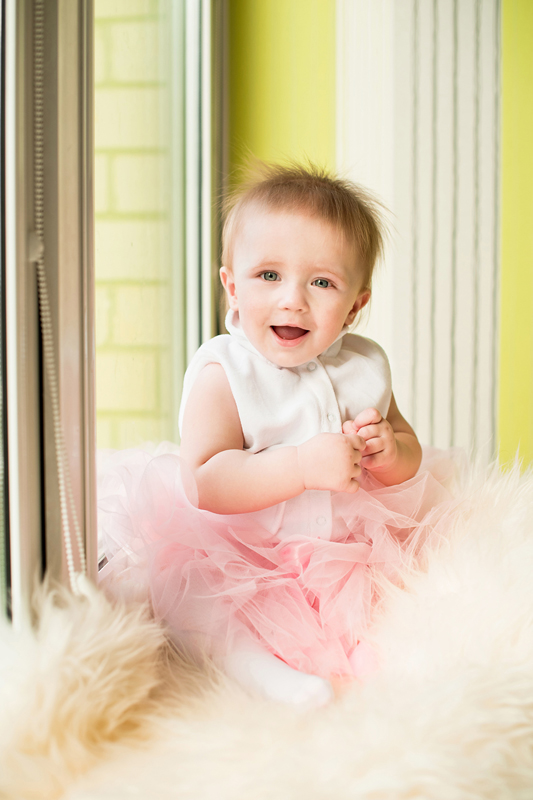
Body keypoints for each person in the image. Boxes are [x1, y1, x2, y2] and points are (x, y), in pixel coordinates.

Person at [99, 163, 454, 710]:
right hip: (242, 548)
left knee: (389, 593)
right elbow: (205, 480)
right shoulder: (225, 371)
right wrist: (300, 467)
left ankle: (370, 657)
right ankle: (260, 672)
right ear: (232, 287)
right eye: (269, 275)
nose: (293, 299)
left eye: (322, 283)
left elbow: (408, 446)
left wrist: (389, 450)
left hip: (341, 547)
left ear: (355, 305)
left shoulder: (365, 365)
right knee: (193, 599)